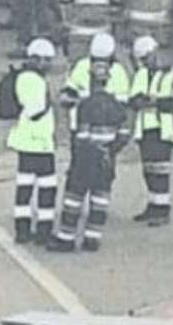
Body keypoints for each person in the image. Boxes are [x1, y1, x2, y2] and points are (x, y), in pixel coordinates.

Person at [48, 62, 131, 253]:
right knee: (100, 199)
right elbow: (124, 134)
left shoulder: (86, 105)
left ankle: (66, 239)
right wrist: (109, 151)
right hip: (107, 162)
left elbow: (82, 137)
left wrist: (81, 157)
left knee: (73, 199)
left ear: (92, 80)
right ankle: (92, 239)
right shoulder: (116, 106)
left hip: (86, 161)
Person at [6, 38, 60, 245]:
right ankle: (44, 230)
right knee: (47, 187)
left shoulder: (23, 77)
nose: (49, 64)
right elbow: (36, 111)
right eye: (46, 60)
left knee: (25, 185)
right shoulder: (33, 80)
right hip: (38, 143)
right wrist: (48, 103)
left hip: (26, 141)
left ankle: (23, 229)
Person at [128, 36, 173, 226]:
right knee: (149, 170)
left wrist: (153, 102)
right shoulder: (142, 74)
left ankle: (162, 209)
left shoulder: (171, 74)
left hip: (162, 129)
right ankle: (153, 205)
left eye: (147, 57)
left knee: (160, 171)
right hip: (145, 128)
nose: (145, 62)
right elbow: (134, 100)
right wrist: (146, 101)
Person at [60, 32, 131, 138]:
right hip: (81, 127)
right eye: (95, 60)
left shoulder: (118, 71)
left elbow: (123, 105)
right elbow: (66, 96)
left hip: (108, 129)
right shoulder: (82, 66)